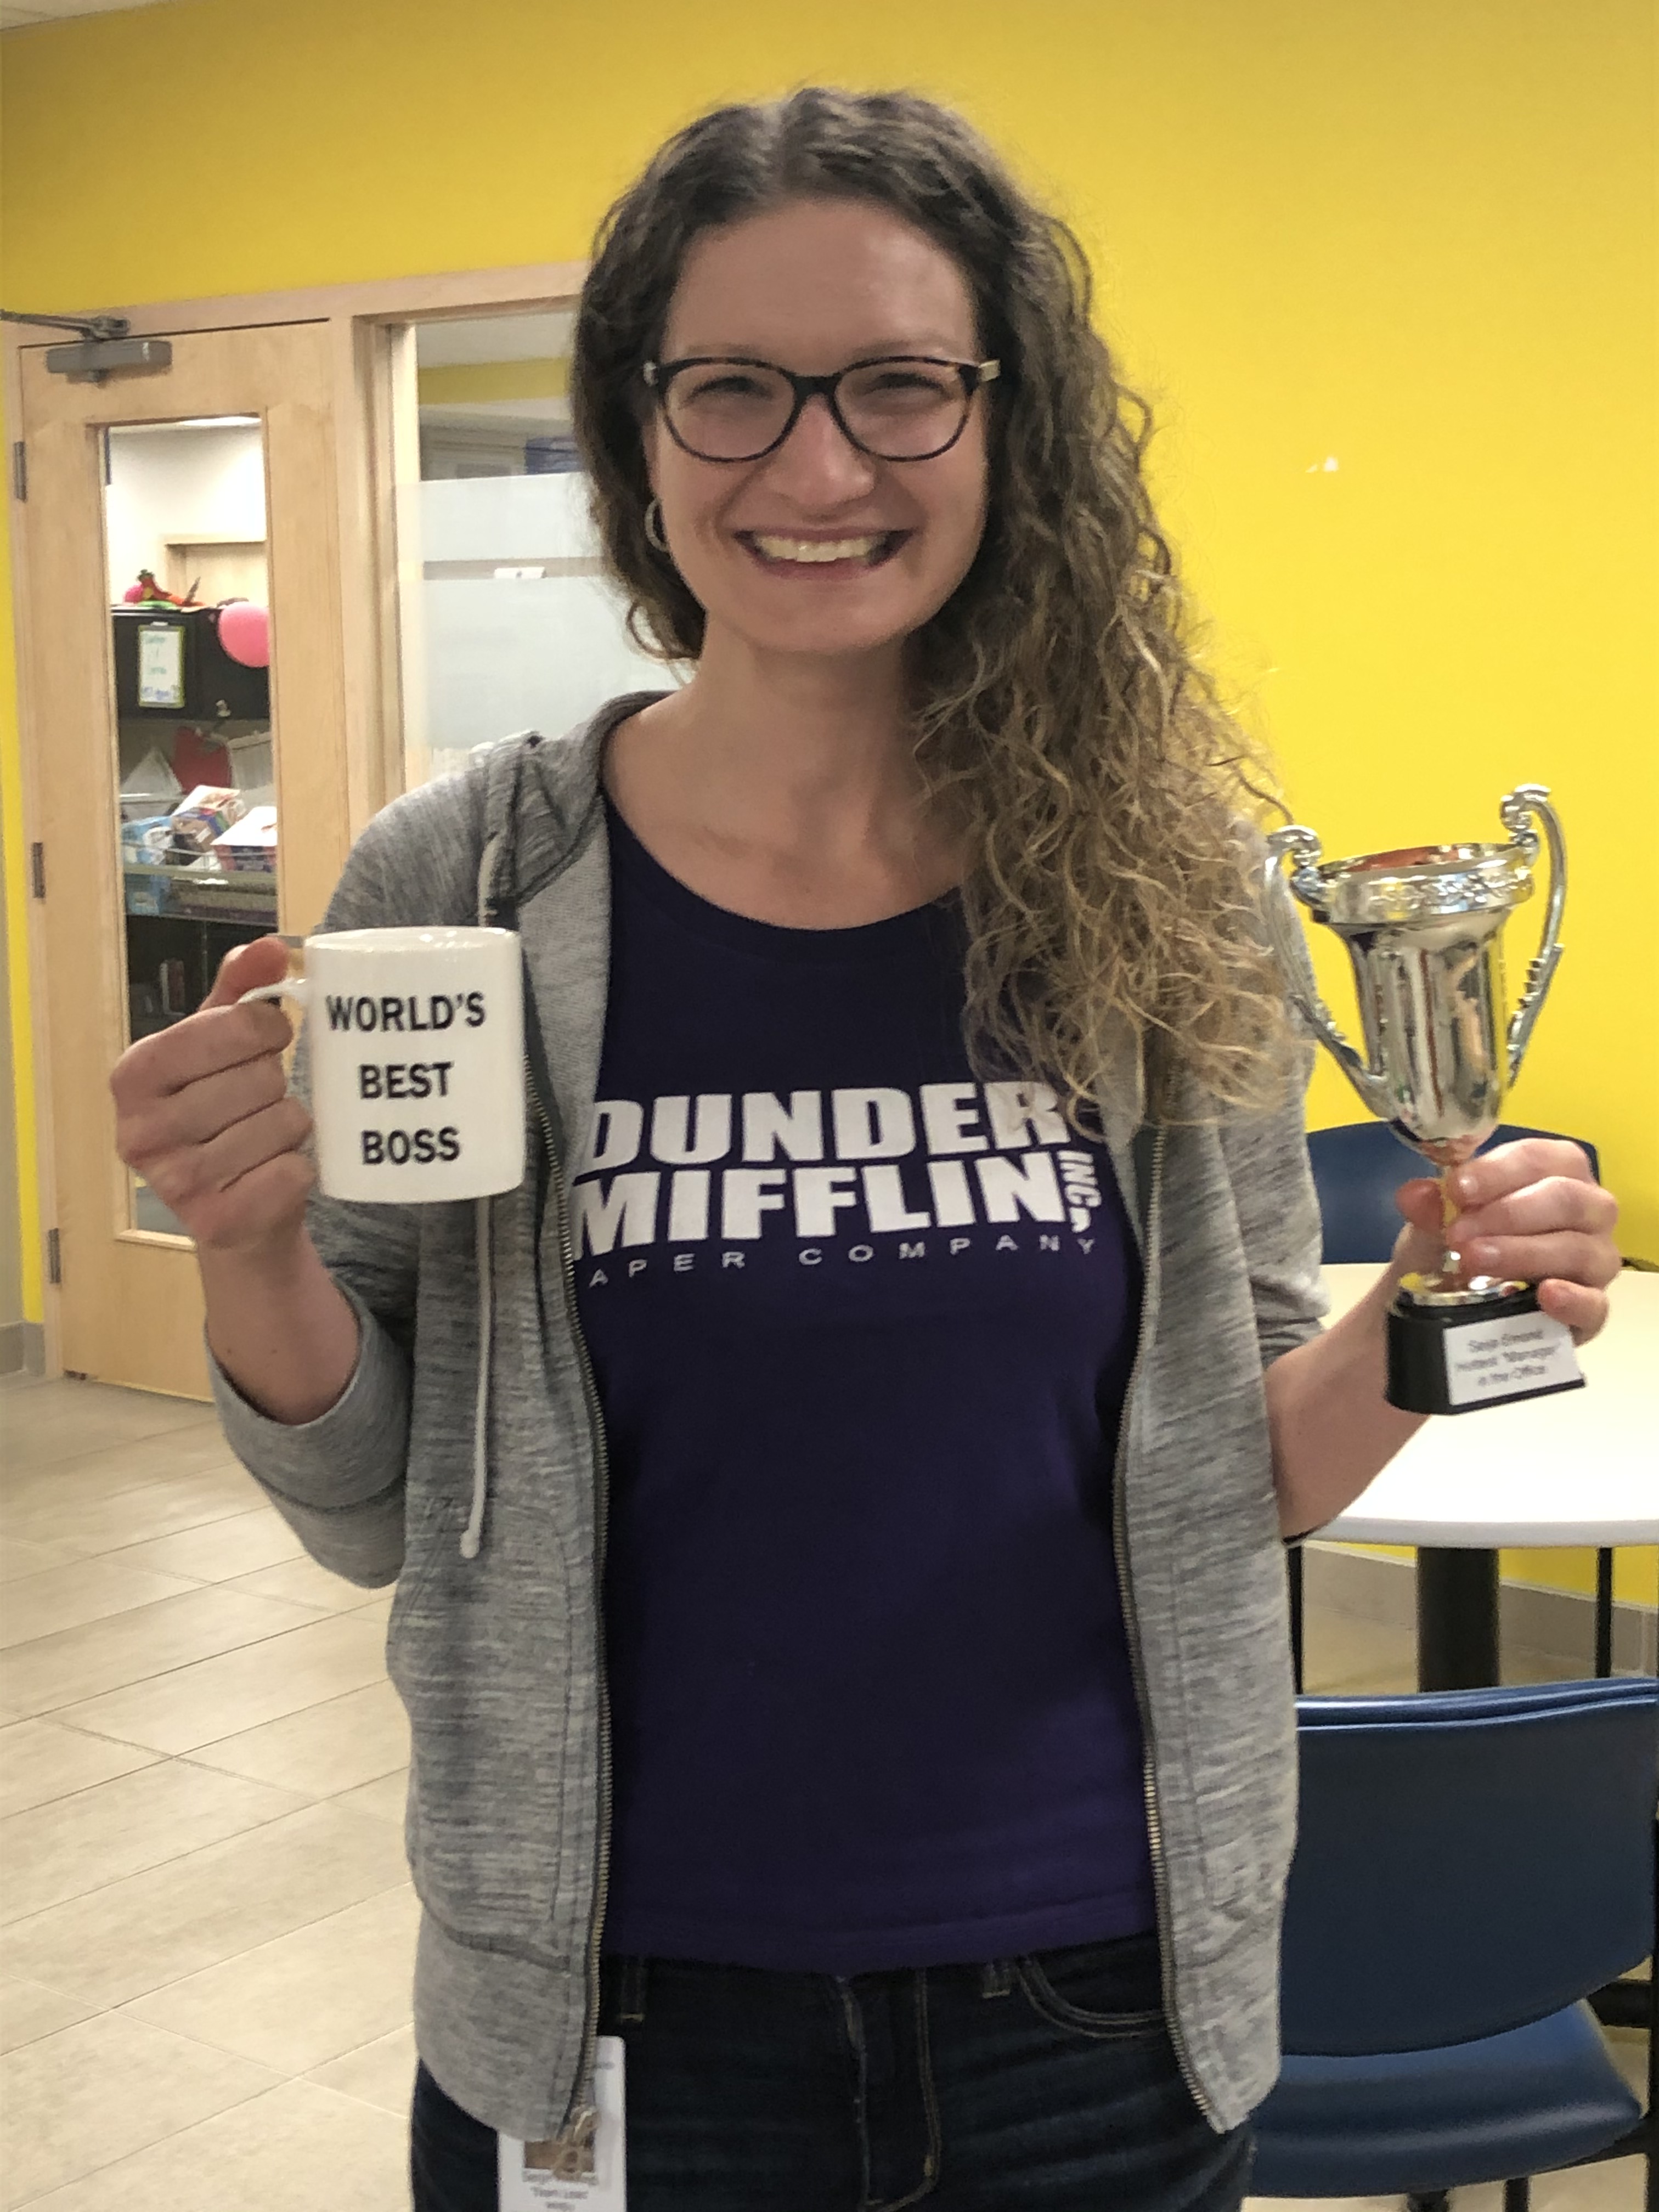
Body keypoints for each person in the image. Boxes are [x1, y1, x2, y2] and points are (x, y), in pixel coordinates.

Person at [111, 88, 1621, 2212]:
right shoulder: (464, 880)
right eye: (733, 389)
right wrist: (247, 1244)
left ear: (1009, 426)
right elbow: (369, 1511)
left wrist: (1437, 1303)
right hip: (612, 2020)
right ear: (640, 431)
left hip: (1097, 2006)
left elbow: (1228, 1469)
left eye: (902, 386)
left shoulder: (1156, 884)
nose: (817, 467)